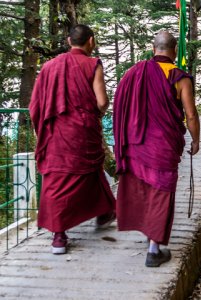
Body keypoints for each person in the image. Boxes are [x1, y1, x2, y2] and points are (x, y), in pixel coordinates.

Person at [113, 31, 200, 267]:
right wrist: (195, 140)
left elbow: (119, 106)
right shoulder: (180, 78)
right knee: (161, 189)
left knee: (143, 186)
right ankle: (154, 249)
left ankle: (148, 234)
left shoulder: (133, 73)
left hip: (136, 142)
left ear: (154, 49)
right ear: (174, 52)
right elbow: (190, 115)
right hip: (163, 144)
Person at [29, 24, 116, 255]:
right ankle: (104, 212)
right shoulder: (93, 64)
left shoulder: (49, 67)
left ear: (69, 42)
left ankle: (59, 236)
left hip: (57, 133)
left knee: (57, 178)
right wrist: (98, 113)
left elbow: (35, 106)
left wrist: (43, 129)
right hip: (83, 131)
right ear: (91, 41)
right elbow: (101, 101)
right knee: (90, 171)